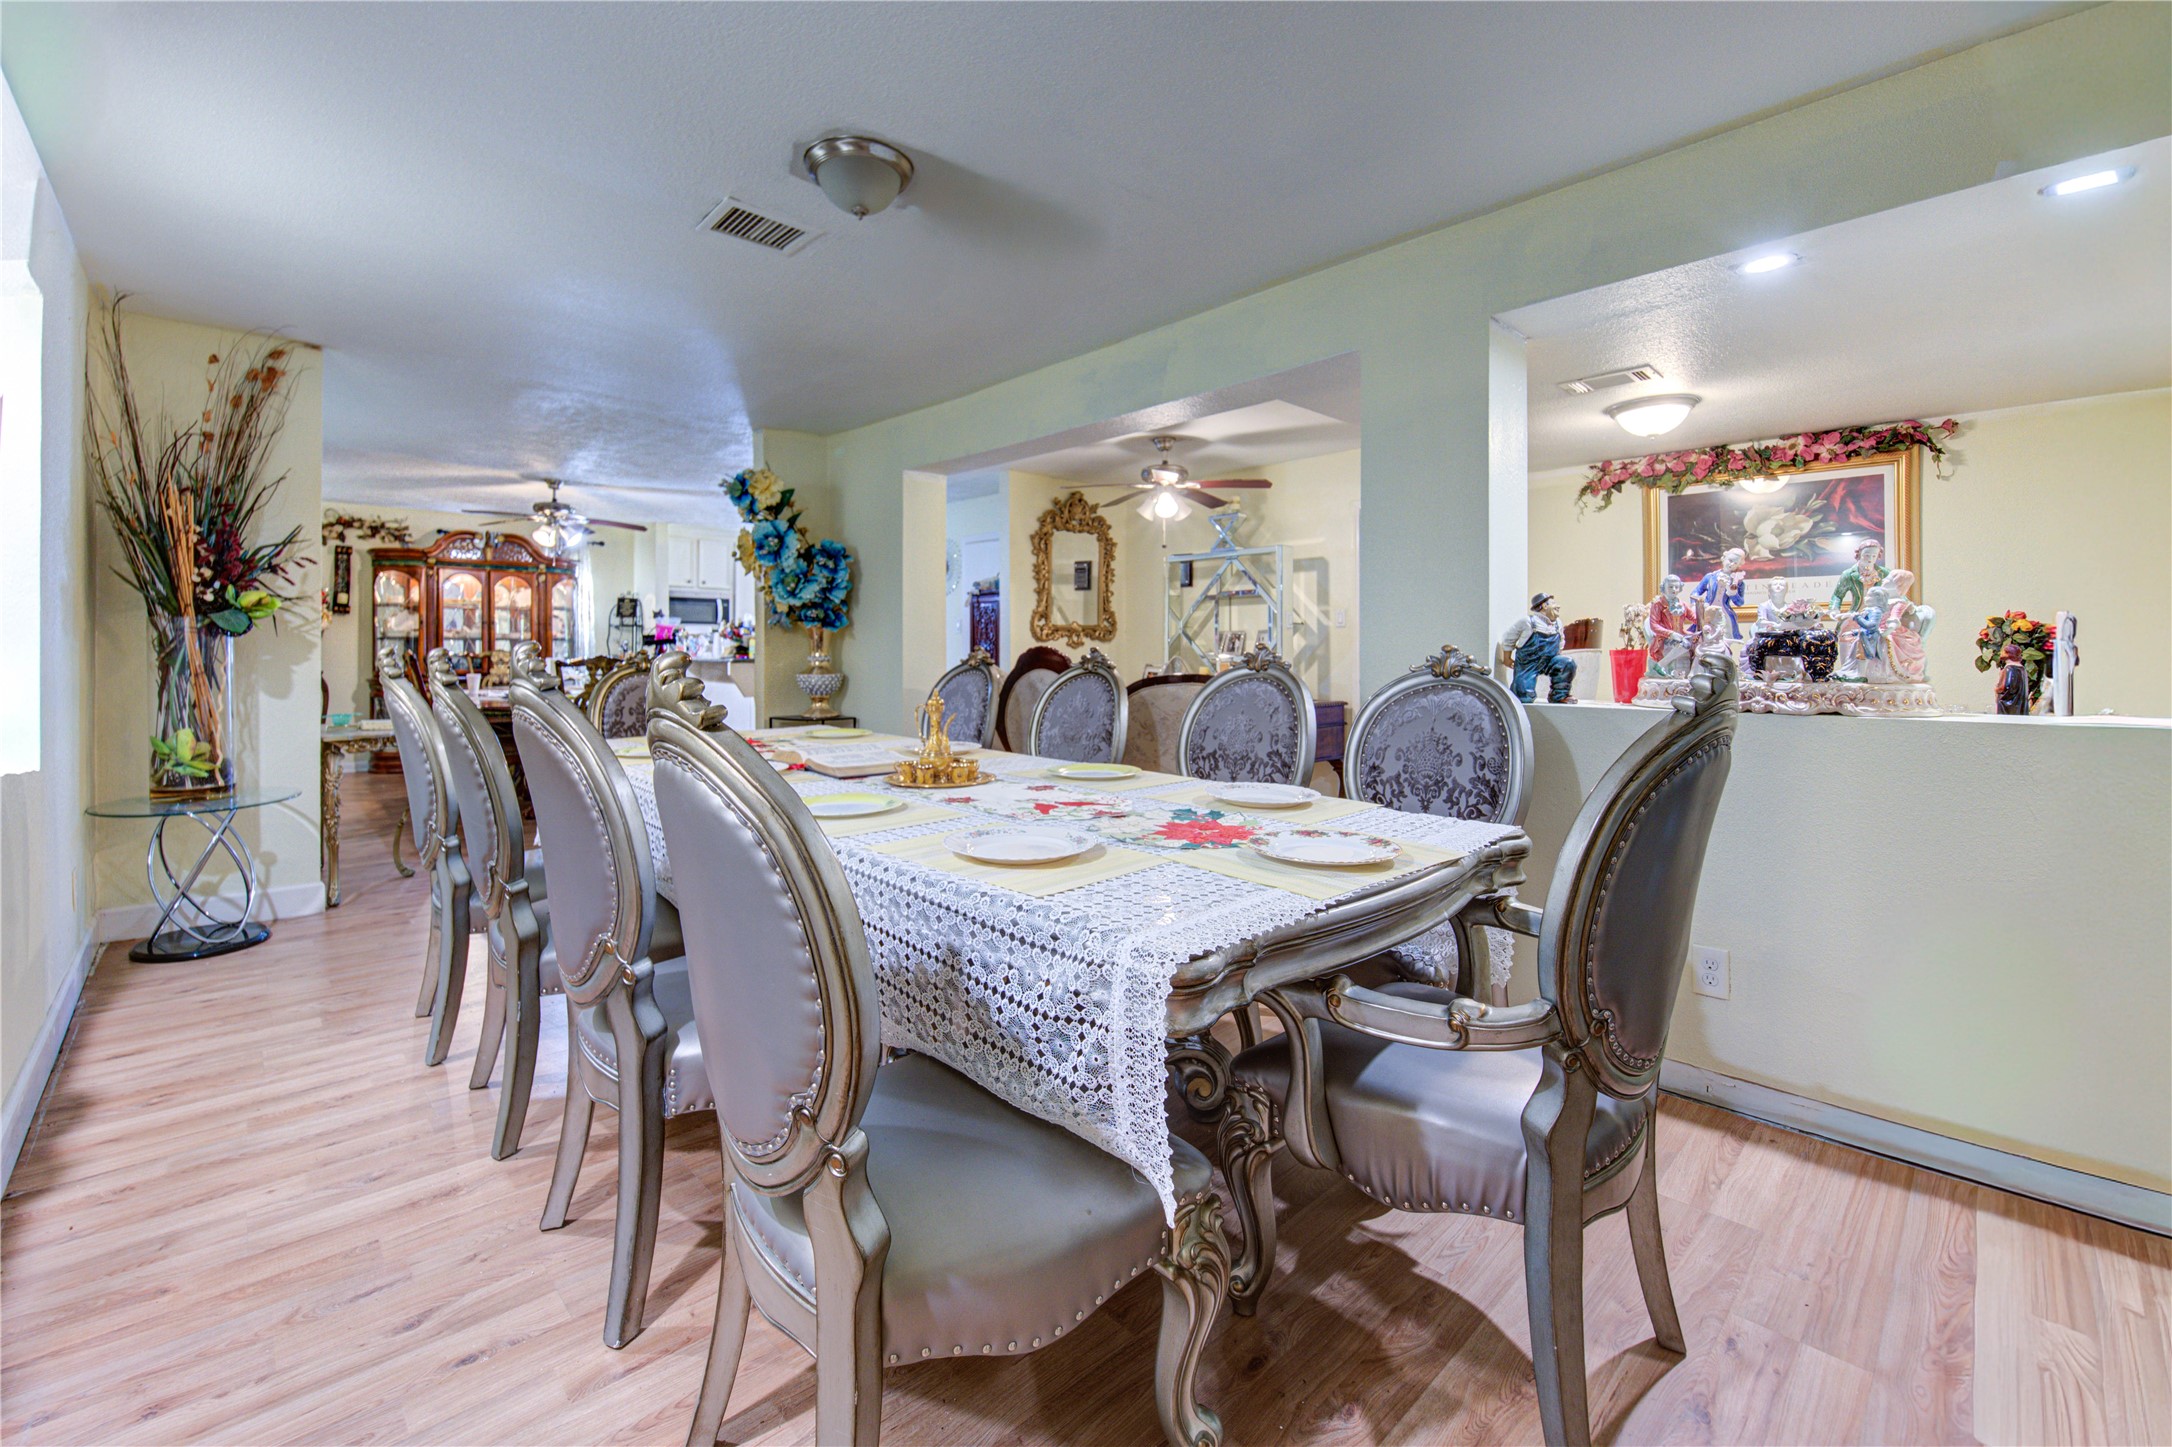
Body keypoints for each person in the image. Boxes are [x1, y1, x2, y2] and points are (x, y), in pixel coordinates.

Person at [1497, 592, 1577, 703]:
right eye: (1554, 603)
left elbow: (1561, 641)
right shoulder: (1528, 622)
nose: (1558, 606)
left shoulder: (1558, 623)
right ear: (1544, 606)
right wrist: (1507, 658)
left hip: (1549, 661)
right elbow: (1508, 638)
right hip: (1528, 664)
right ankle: (1521, 696)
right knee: (1524, 697)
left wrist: (1558, 658)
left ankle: (1559, 695)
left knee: (1567, 663)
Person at [1645, 574, 1696, 678]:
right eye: (1670, 587)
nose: (1674, 589)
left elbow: (1694, 618)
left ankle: (1695, 673)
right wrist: (1671, 634)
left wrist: (1704, 614)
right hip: (1664, 638)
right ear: (1664, 588)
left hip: (1681, 635)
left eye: (1676, 587)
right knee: (1685, 644)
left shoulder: (1682, 605)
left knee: (1697, 642)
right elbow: (1654, 625)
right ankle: (1660, 665)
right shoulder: (1658, 605)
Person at [1693, 547, 1749, 639]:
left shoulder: (1738, 582)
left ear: (1739, 565)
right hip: (1708, 611)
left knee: (1724, 636)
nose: (1731, 564)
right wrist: (1698, 605)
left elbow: (1740, 603)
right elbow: (1695, 592)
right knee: (1704, 636)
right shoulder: (1710, 577)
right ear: (1724, 558)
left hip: (1724, 614)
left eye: (1735, 563)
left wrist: (1733, 593)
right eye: (1730, 560)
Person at [1831, 540, 1889, 615]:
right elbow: (1838, 595)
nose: (1870, 559)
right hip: (1857, 614)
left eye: (1874, 556)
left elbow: (1897, 591)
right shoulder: (1848, 574)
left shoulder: (1884, 573)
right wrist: (1834, 609)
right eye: (1867, 555)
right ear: (1860, 554)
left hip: (1878, 614)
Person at [1995, 642, 2031, 714]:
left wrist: (1997, 689)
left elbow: (2006, 687)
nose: (2001, 653)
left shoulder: (2009, 668)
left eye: (2003, 652)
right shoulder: (2022, 669)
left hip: (2009, 706)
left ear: (2009, 654)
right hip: (2020, 704)